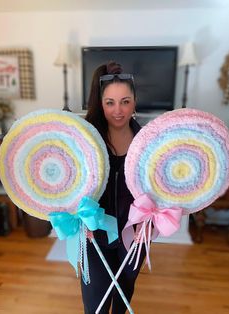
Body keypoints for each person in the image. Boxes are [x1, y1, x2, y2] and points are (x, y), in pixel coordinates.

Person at [82, 61, 145, 314]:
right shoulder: (87, 141)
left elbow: (159, 190)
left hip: (134, 235)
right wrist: (79, 217)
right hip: (95, 234)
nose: (118, 110)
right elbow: (70, 185)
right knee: (96, 301)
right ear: (101, 103)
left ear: (135, 102)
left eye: (125, 101)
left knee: (123, 295)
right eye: (110, 102)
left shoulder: (148, 143)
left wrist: (149, 223)